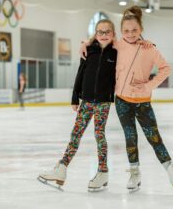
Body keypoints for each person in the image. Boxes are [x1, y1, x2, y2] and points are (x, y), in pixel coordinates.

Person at [81, 6, 173, 195]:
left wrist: (148, 86)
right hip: (122, 101)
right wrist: (85, 42)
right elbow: (100, 39)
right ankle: (134, 173)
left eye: (134, 30)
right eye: (126, 31)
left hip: (142, 102)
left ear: (141, 30)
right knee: (130, 138)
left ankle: (172, 172)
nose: (130, 34)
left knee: (154, 137)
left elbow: (166, 69)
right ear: (121, 31)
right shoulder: (117, 45)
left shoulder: (149, 48)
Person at [38, 19, 118, 192]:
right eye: (100, 32)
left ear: (113, 34)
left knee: (99, 134)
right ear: (95, 34)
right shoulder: (88, 50)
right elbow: (80, 74)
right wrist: (75, 97)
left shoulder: (117, 53)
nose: (104, 35)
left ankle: (103, 171)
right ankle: (61, 169)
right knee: (76, 134)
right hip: (86, 101)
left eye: (107, 32)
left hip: (103, 102)